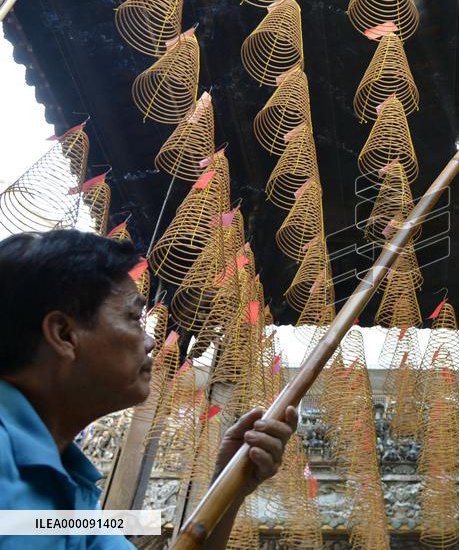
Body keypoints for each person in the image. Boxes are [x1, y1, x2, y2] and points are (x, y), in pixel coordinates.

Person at [0, 230, 299, 549]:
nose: (151, 341)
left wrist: (230, 482)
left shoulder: (75, 492)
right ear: (64, 334)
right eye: (133, 318)